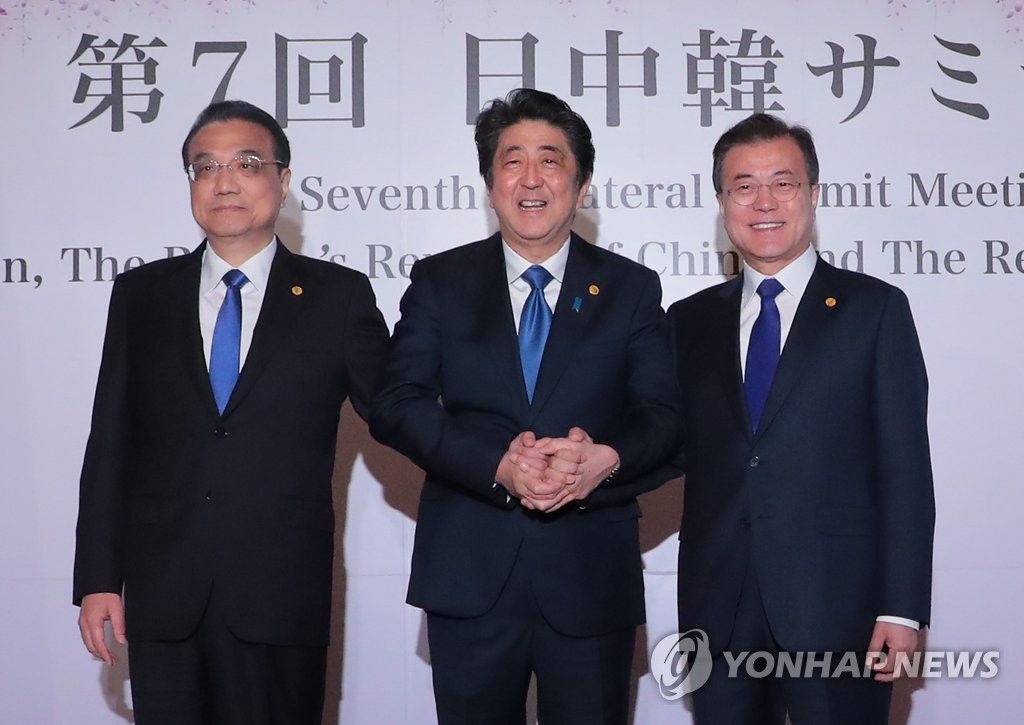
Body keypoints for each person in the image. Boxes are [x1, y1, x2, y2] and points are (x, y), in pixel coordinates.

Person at [369, 88, 682, 725]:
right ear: (490, 186)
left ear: (582, 185)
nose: (531, 179)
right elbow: (396, 403)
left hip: (589, 575)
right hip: (469, 574)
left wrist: (606, 459)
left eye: (551, 160)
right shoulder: (441, 282)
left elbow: (665, 418)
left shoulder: (630, 288)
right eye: (512, 162)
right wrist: (496, 464)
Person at [72, 100, 390, 725]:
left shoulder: (338, 296)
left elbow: (397, 412)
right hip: (164, 596)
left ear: (283, 180)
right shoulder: (142, 295)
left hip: (279, 594)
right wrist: (98, 577)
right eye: (205, 166)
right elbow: (109, 442)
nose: (224, 181)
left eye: (247, 163)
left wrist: (496, 455)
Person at [665, 112, 935, 724]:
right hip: (719, 611)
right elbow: (668, 444)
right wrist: (594, 459)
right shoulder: (687, 321)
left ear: (813, 194)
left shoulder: (874, 310)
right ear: (722, 203)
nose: (764, 202)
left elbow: (905, 471)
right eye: (743, 186)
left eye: (782, 183)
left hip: (840, 609)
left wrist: (901, 607)